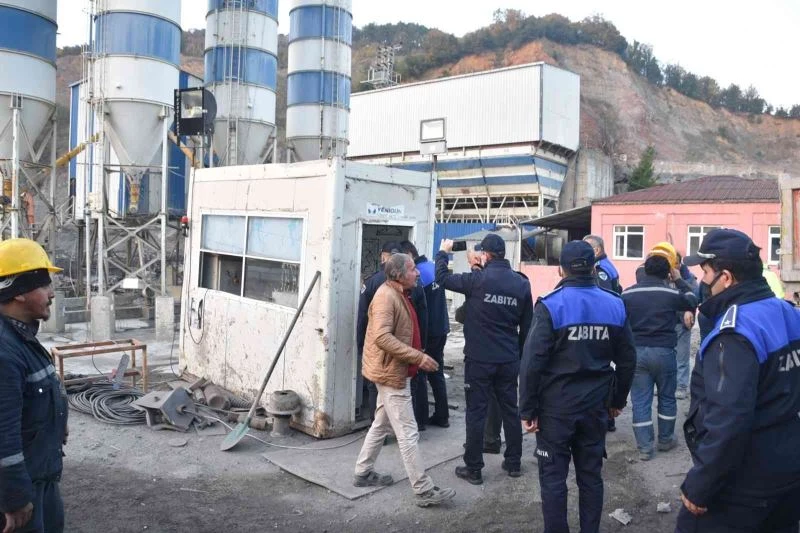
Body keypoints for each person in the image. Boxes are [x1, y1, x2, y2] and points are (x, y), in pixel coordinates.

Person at [677, 229, 800, 532]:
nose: (702, 281)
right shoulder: (789, 313)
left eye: (706, 272)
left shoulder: (735, 332)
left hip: (744, 480)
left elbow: (729, 419)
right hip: (789, 467)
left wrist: (701, 484)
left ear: (726, 278)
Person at [520, 240, 637, 533]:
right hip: (596, 407)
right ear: (594, 268)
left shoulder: (550, 305)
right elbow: (627, 360)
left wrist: (527, 409)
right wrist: (617, 400)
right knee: (590, 477)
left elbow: (532, 362)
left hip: (556, 409)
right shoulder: (615, 304)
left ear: (561, 270)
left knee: (553, 479)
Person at [353, 254, 455, 508]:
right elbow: (382, 338)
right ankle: (423, 489)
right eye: (412, 269)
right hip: (391, 373)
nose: (418, 273)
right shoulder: (386, 297)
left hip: (394, 369)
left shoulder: (400, 293)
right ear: (398, 275)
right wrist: (418, 357)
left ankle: (362, 472)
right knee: (408, 432)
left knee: (381, 423)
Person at [437, 235, 533, 484]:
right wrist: (518, 356)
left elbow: (442, 278)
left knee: (476, 412)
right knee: (510, 410)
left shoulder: (477, 280)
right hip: (508, 358)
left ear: (486, 255)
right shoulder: (521, 283)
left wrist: (443, 252)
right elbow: (527, 327)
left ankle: (474, 468)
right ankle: (513, 463)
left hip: (479, 359)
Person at [0, 238, 67, 533]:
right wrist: (15, 497)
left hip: (42, 476)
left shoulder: (22, 337)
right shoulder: (4, 352)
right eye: (44, 285)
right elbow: (3, 434)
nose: (52, 293)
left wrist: (58, 419)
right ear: (18, 292)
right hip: (22, 488)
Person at [621, 244, 697, 460]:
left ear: (645, 269)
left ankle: (645, 447)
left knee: (640, 401)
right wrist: (679, 279)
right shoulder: (671, 293)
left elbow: (620, 323)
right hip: (664, 352)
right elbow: (693, 299)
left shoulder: (628, 294)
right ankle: (665, 439)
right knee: (667, 398)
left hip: (637, 353)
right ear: (668, 273)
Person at [357, 242, 428, 426]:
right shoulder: (409, 286)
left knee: (376, 391)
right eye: (413, 269)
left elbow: (362, 318)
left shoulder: (373, 282)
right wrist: (421, 348)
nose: (417, 273)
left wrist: (361, 346)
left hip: (384, 354)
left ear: (383, 256)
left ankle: (382, 427)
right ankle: (414, 424)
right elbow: (422, 318)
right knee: (406, 392)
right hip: (402, 352)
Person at [399, 241, 450, 429]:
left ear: (409, 255)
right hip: (442, 328)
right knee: (437, 373)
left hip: (428, 332)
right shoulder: (433, 267)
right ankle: (442, 416)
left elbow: (419, 307)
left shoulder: (418, 274)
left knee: (420, 375)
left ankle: (420, 420)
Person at [583, 234, 622, 433]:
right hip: (607, 325)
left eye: (586, 248)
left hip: (602, 326)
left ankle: (606, 418)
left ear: (597, 250)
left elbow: (602, 298)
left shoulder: (601, 270)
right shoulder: (606, 265)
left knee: (600, 372)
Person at [674, 252, 698, 400]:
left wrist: (689, 310)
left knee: (682, 357)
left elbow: (695, 297)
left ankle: (681, 386)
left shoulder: (689, 278)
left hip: (683, 322)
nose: (673, 266)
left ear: (680, 263)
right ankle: (669, 385)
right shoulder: (661, 276)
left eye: (676, 263)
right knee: (668, 356)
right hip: (667, 321)